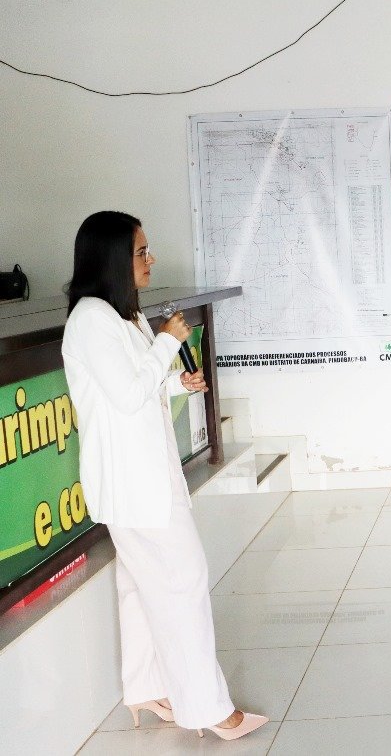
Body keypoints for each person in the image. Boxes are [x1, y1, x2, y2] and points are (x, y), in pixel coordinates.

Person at [61, 212, 267, 740]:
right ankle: (209, 709)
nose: (150, 260)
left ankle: (147, 687)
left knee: (142, 586)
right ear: (112, 258)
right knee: (183, 584)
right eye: (141, 252)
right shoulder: (90, 320)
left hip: (147, 477)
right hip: (133, 486)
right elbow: (129, 395)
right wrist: (168, 342)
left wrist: (178, 383)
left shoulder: (121, 316)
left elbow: (138, 386)